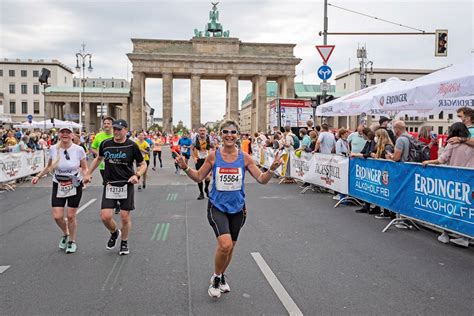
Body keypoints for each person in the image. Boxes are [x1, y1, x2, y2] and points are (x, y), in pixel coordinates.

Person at [174, 119, 284, 298]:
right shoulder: (213, 156)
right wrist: (186, 168)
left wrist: (271, 169)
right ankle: (216, 278)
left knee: (230, 247)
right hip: (217, 206)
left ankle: (222, 275)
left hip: (238, 209)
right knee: (224, 245)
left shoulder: (245, 157)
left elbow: (262, 179)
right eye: (226, 132)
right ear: (220, 135)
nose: (229, 135)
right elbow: (199, 177)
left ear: (238, 135)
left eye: (233, 132)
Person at [85, 119, 147, 256]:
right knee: (105, 217)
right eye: (115, 129)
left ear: (126, 130)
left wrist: (137, 175)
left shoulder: (132, 146)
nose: (116, 132)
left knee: (124, 217)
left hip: (126, 184)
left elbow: (143, 164)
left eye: (119, 129)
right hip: (110, 184)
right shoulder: (105, 144)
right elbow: (98, 159)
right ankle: (114, 233)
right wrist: (88, 173)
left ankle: (124, 242)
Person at [31, 127, 88, 254]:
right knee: (57, 216)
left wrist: (87, 176)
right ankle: (66, 233)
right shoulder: (53, 149)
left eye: (68, 132)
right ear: (59, 134)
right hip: (59, 184)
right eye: (63, 132)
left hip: (74, 184)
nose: (65, 135)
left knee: (71, 216)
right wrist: (38, 176)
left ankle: (72, 241)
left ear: (72, 135)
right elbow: (49, 167)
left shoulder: (79, 150)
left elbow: (84, 167)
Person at [422, 122, 474, 247]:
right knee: (466, 208)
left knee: (449, 206)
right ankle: (465, 237)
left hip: (454, 180)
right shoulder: (471, 144)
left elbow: (441, 160)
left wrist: (428, 161)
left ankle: (445, 233)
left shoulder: (451, 144)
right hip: (470, 179)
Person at [351, 128, 379, 214]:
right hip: (367, 167)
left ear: (365, 134)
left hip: (373, 167)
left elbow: (368, 154)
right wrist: (357, 155)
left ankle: (376, 207)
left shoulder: (373, 142)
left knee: (374, 187)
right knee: (366, 186)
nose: (361, 135)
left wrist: (358, 154)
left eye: (362, 134)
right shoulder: (368, 142)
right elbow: (363, 152)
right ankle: (366, 206)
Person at [370, 128, 395, 219]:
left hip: (387, 174)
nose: (375, 138)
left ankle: (389, 213)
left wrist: (377, 156)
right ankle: (385, 212)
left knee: (388, 192)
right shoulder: (380, 146)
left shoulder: (388, 146)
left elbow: (388, 158)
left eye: (377, 136)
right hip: (383, 173)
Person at [193, 125, 214, 200]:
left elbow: (213, 146)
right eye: (201, 131)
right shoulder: (195, 138)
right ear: (198, 132)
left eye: (203, 131)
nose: (202, 132)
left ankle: (206, 188)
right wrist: (194, 157)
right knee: (199, 178)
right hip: (199, 159)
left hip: (207, 159)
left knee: (207, 178)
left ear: (206, 131)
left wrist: (213, 155)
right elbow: (192, 148)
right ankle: (201, 193)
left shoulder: (209, 138)